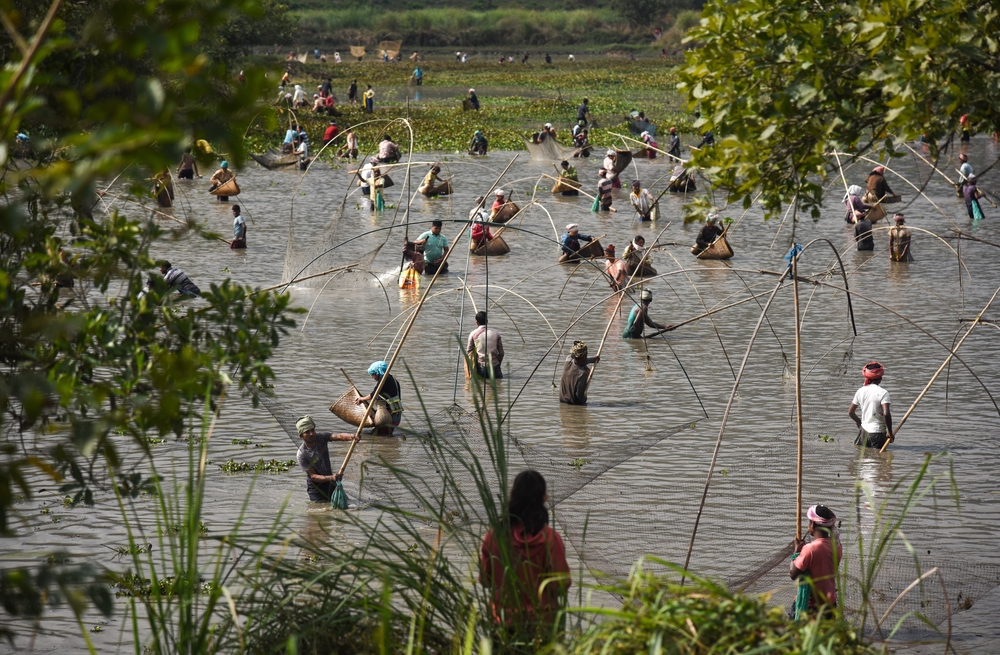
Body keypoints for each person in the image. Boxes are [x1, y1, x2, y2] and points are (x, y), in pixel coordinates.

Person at [480, 470, 570, 636]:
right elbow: (561, 586)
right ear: (543, 498)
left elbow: (485, 581)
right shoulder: (550, 538)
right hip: (542, 627)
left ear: (512, 497)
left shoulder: (494, 536)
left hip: (503, 625)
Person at [790, 504, 842, 618]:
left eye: (809, 522)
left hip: (810, 607)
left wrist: (796, 552)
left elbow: (793, 574)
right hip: (829, 605)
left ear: (812, 524)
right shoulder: (837, 545)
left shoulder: (809, 549)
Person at [295, 415, 352, 503]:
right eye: (307, 432)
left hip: (330, 483)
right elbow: (313, 476)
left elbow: (339, 436)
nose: (311, 434)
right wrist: (331, 477)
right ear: (301, 435)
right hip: (316, 488)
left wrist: (352, 436)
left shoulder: (321, 437)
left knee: (346, 504)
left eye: (312, 430)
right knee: (321, 512)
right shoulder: (302, 454)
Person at [848, 361, 893, 449]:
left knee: (864, 459)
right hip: (877, 432)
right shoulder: (883, 393)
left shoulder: (860, 391)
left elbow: (851, 412)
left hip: (863, 432)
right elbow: (886, 413)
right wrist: (890, 432)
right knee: (878, 460)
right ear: (880, 378)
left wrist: (858, 421)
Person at [354, 361, 404, 436]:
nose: (372, 377)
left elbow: (374, 394)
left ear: (377, 373)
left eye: (372, 375)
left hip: (387, 417)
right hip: (396, 415)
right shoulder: (392, 379)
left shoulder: (384, 380)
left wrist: (362, 399)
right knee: (385, 434)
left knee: (382, 436)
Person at [466, 310, 504, 379]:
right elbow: (501, 353)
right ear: (487, 321)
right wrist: (498, 364)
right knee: (497, 386)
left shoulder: (473, 334)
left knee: (480, 387)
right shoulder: (496, 333)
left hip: (481, 368)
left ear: (477, 322)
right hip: (495, 367)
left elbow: (469, 352)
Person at [559, 341, 600, 405]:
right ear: (584, 356)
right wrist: (585, 396)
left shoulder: (568, 359)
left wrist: (593, 360)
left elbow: (579, 361)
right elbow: (579, 399)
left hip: (562, 400)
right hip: (573, 404)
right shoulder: (582, 374)